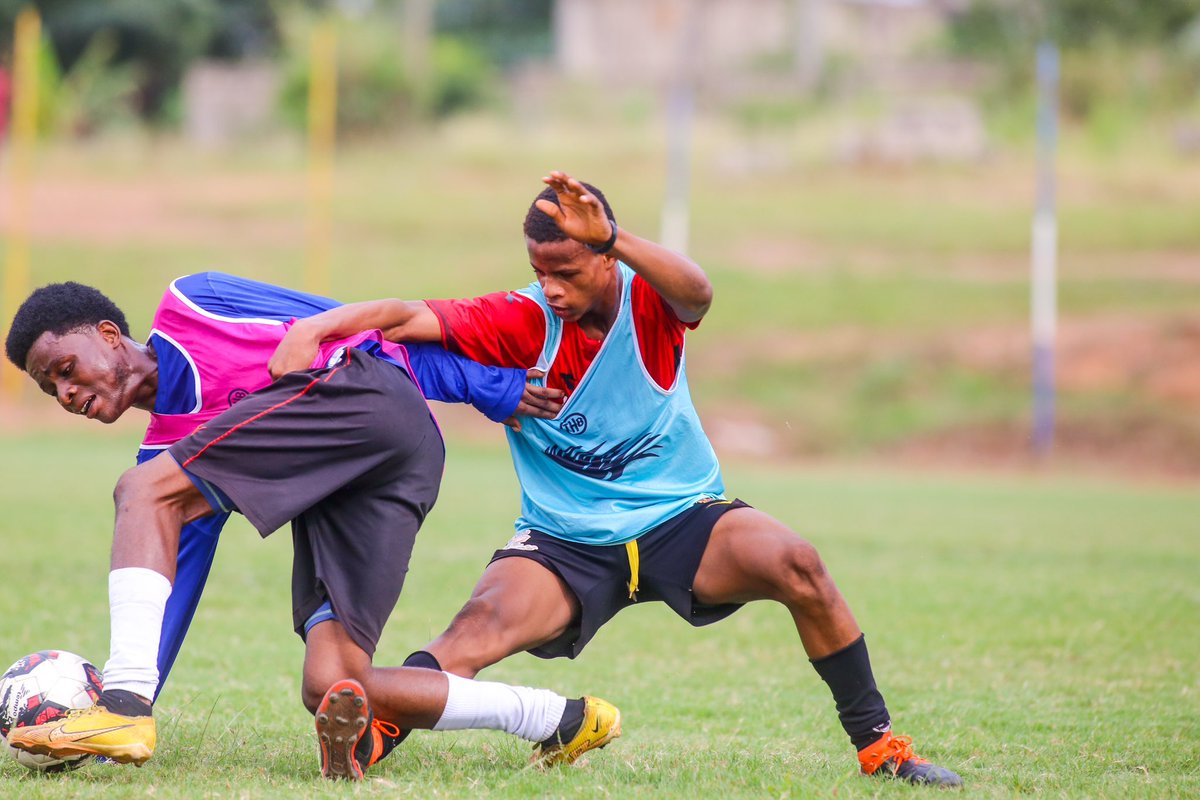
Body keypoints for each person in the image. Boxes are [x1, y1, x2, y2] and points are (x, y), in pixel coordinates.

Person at [267, 171, 964, 786]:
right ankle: (371, 735)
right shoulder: (522, 319)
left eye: (567, 270)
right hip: (564, 541)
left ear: (606, 257)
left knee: (798, 563)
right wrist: (319, 328)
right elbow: (407, 315)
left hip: (683, 518)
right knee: (469, 636)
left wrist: (618, 235)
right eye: (540, 270)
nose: (551, 287)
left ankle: (881, 749)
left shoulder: (651, 304)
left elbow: (701, 291)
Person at [3, 272, 620, 779]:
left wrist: (488, 385)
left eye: (62, 366)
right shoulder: (166, 468)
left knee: (141, 490)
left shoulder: (194, 304)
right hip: (383, 474)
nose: (63, 391)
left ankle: (123, 704)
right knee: (333, 682)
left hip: (372, 400)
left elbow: (356, 325)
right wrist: (115, 714)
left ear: (110, 335)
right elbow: (175, 591)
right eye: (48, 387)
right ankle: (560, 719)